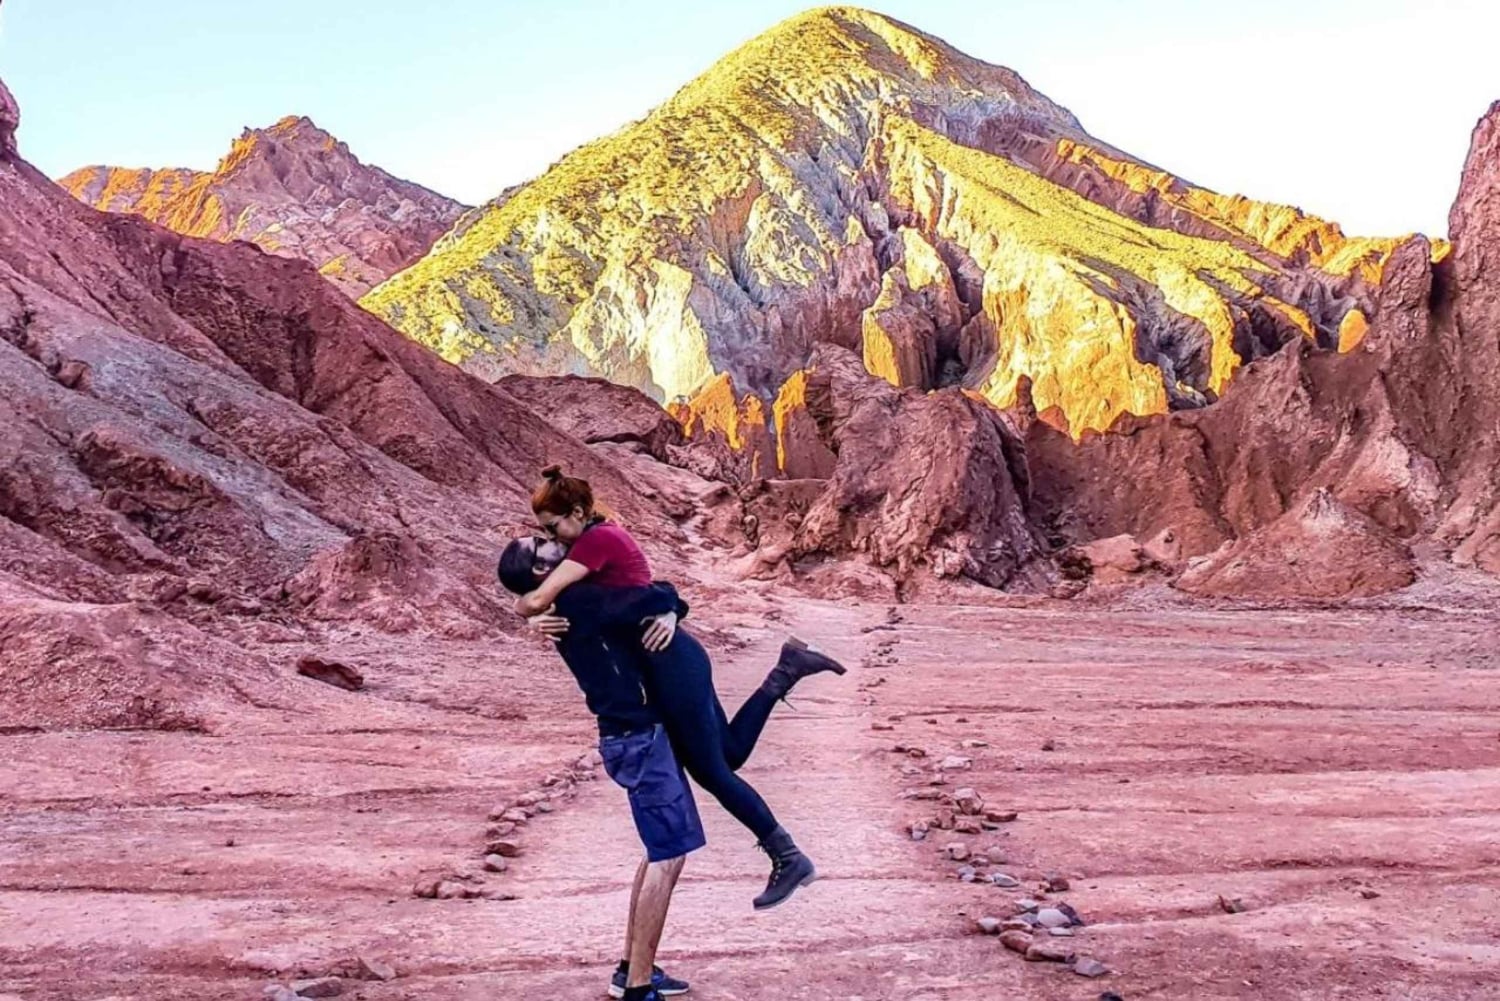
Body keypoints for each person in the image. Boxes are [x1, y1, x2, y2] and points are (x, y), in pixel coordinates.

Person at [500, 466, 846, 911]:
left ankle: (789, 856)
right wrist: (529, 611)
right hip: (674, 662)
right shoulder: (576, 586)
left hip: (671, 667)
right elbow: (641, 595)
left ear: (577, 512)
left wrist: (669, 609)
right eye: (543, 544)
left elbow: (651, 594)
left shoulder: (585, 568)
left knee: (713, 772)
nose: (553, 542)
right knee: (730, 755)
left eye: (548, 533)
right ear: (539, 571)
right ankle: (787, 669)